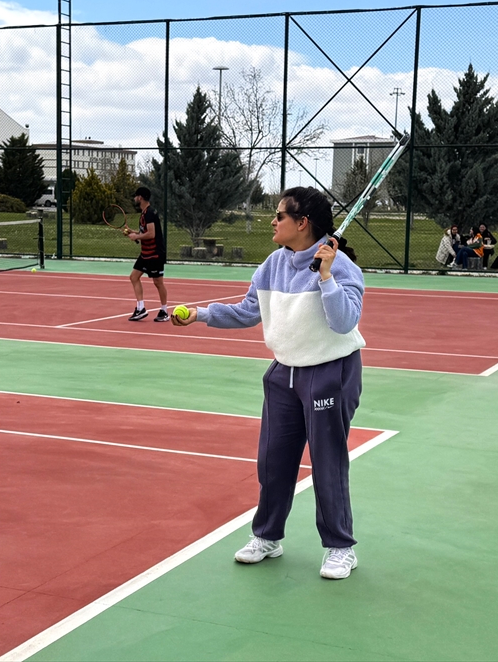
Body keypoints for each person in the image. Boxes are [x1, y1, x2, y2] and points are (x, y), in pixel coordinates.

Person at [171, 186, 365, 580]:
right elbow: (248, 311)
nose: (272, 221)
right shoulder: (273, 264)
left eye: (279, 215)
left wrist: (326, 277)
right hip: (283, 374)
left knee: (327, 462)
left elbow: (344, 322)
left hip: (330, 373)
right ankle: (267, 536)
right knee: (273, 461)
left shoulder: (341, 266)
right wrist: (201, 314)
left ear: (302, 223)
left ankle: (340, 547)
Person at [124, 186, 169, 322]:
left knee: (158, 282)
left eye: (136, 196)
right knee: (134, 277)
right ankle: (141, 308)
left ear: (140, 197)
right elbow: (145, 232)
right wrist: (133, 232)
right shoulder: (144, 213)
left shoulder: (149, 213)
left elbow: (151, 234)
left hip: (155, 254)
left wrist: (136, 237)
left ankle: (164, 311)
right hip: (145, 254)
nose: (134, 198)